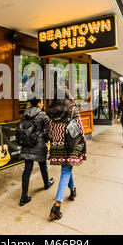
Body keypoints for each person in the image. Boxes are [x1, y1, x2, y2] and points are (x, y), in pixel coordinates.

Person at [47, 87, 86, 220]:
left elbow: (50, 131)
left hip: (57, 146)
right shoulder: (72, 109)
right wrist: (83, 142)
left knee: (66, 169)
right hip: (70, 146)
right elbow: (80, 127)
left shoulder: (51, 111)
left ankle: (73, 190)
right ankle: (57, 206)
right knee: (66, 171)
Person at [18, 98, 54, 206]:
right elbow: (48, 132)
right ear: (39, 103)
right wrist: (48, 141)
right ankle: (46, 183)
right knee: (43, 166)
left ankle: (23, 196)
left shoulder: (26, 113)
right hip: (39, 144)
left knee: (27, 169)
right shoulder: (43, 115)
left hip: (27, 144)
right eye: (42, 101)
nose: (42, 103)